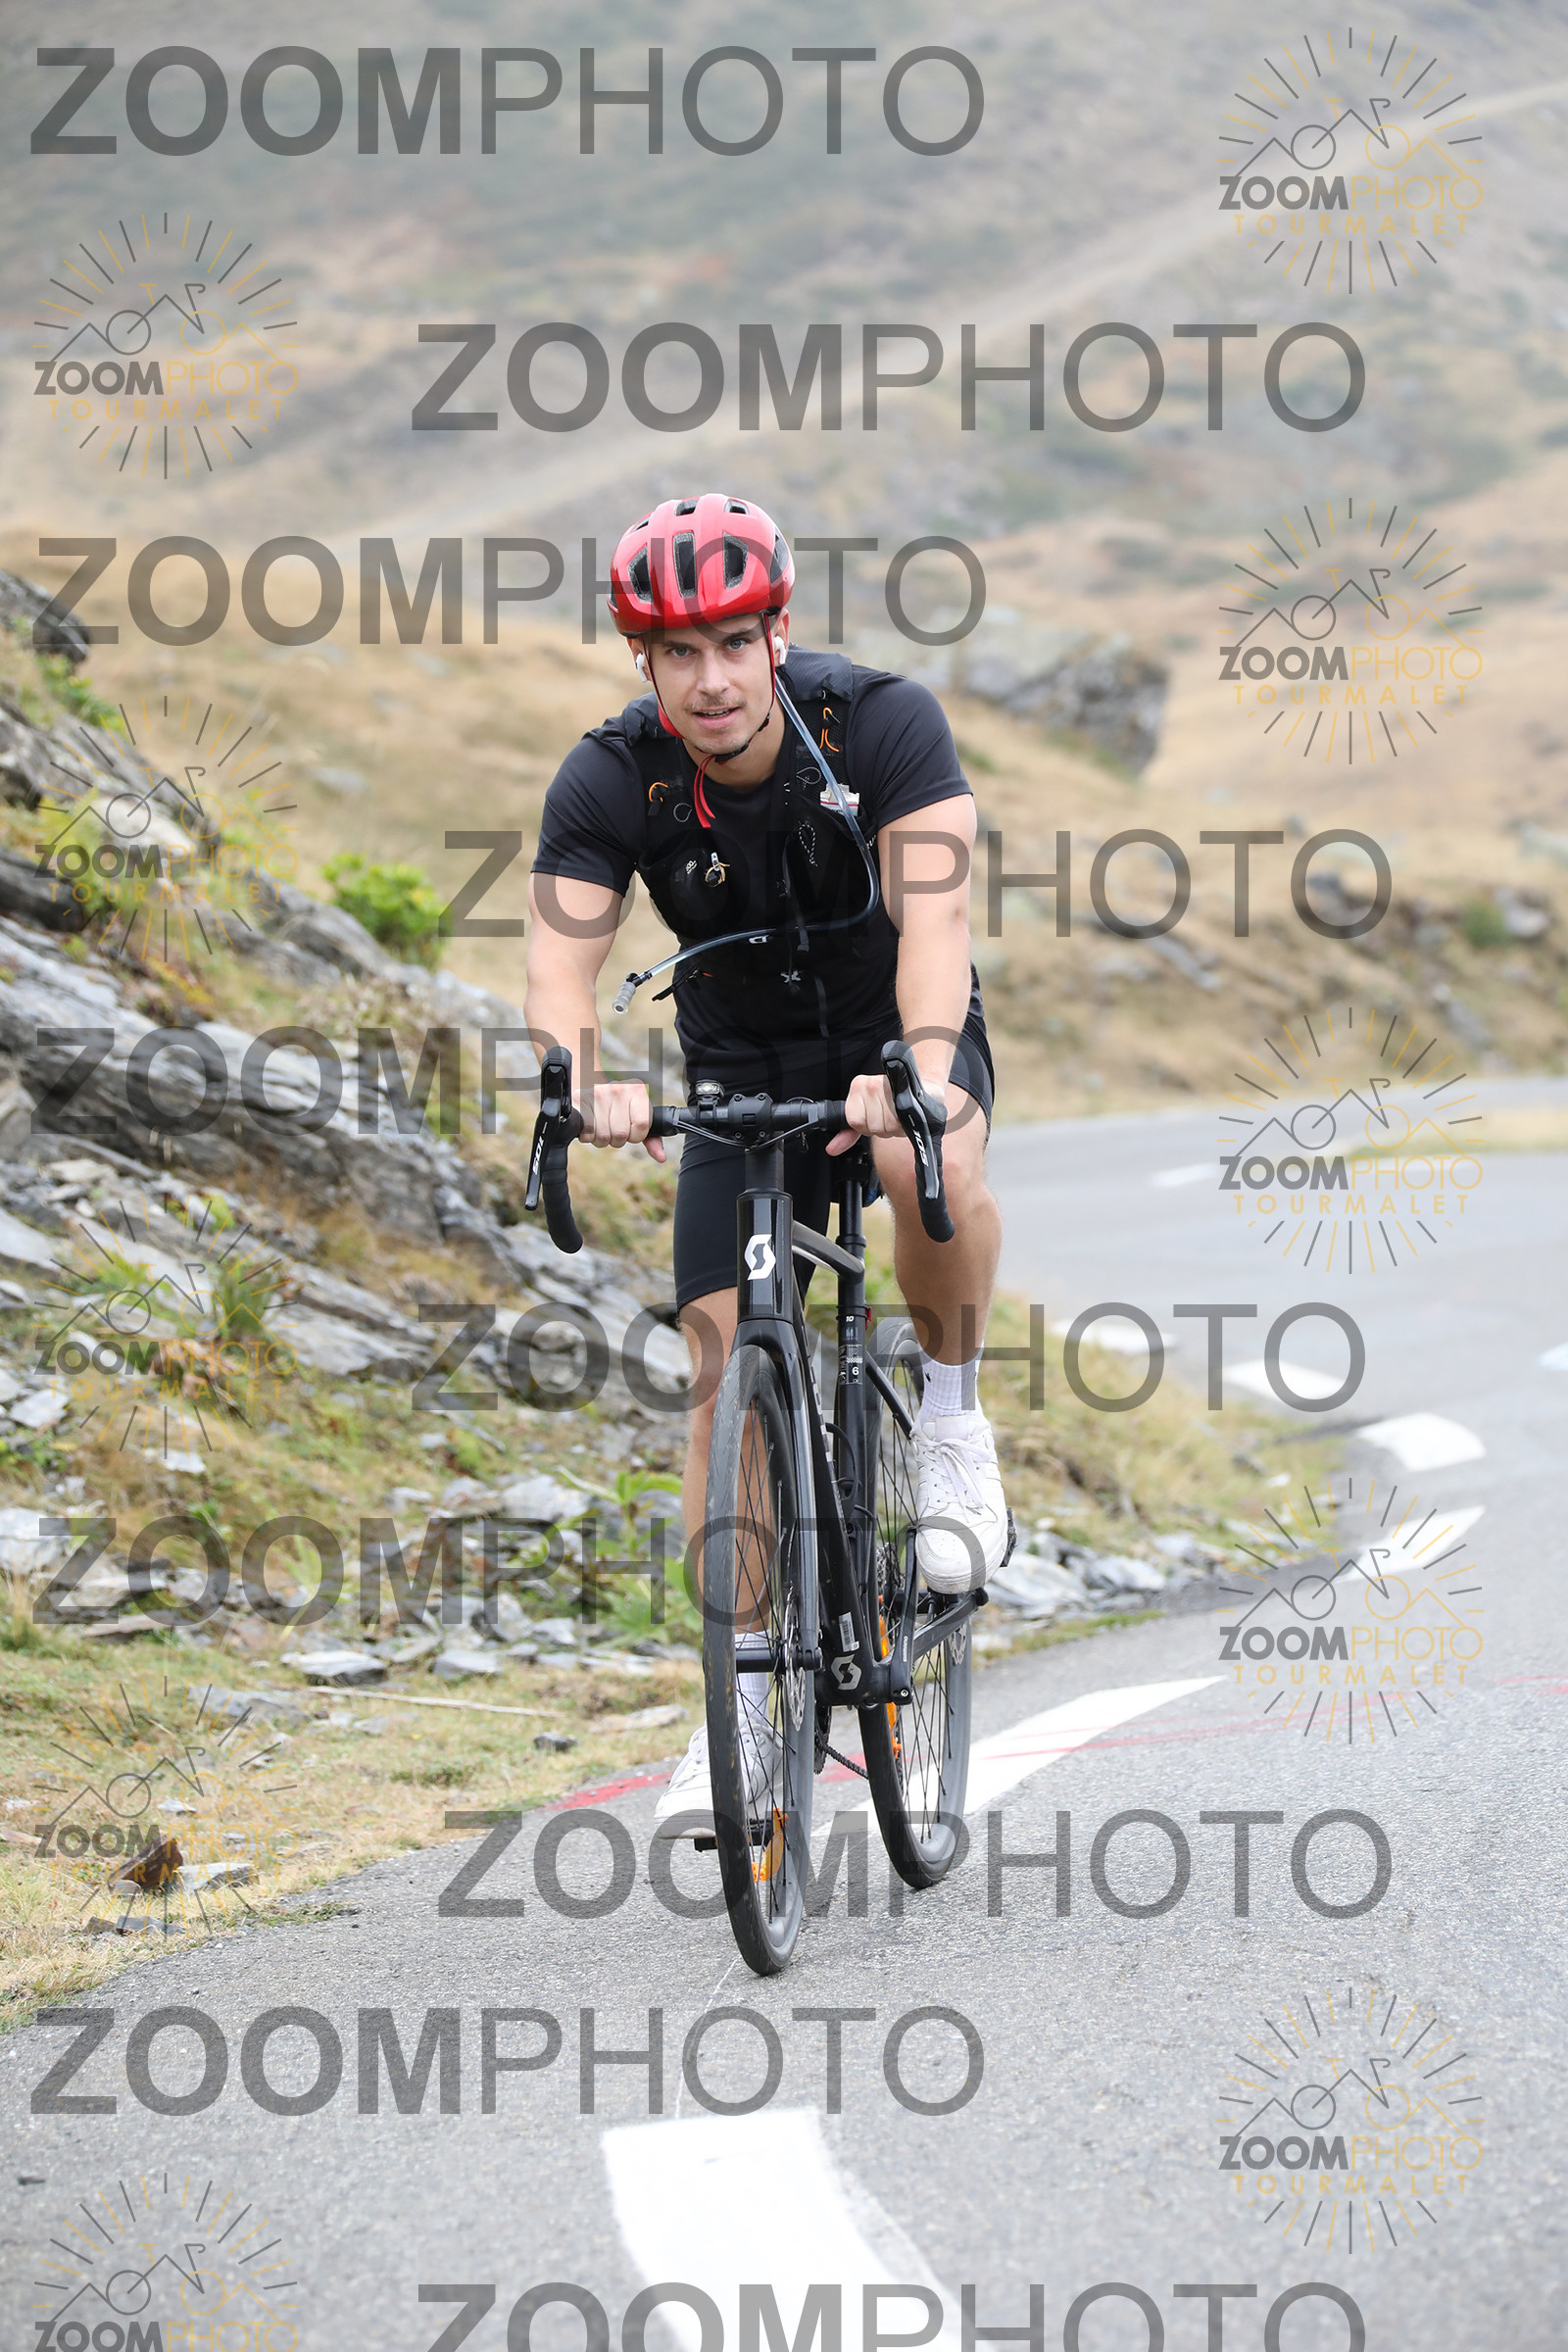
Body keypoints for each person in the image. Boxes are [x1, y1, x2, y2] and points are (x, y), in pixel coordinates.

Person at [525, 493, 1006, 1831]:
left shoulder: (883, 725)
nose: (711, 679)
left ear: (776, 636)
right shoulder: (610, 776)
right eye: (678, 653)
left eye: (734, 643)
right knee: (718, 1368)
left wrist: (918, 1070)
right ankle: (738, 1702)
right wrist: (584, 1081)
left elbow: (936, 922)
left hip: (894, 1029)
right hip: (739, 1066)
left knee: (924, 1167)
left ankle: (953, 1417)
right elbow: (559, 965)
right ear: (644, 660)